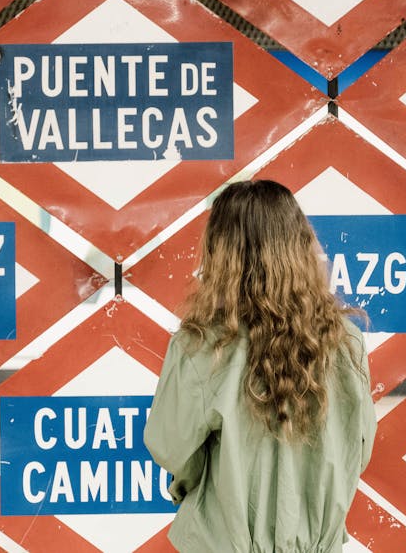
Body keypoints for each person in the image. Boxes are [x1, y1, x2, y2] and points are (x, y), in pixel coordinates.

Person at [144, 179, 377, 553]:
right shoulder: (345, 341)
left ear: (220, 254)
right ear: (299, 245)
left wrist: (199, 482)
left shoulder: (202, 345)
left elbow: (170, 448)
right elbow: (357, 450)